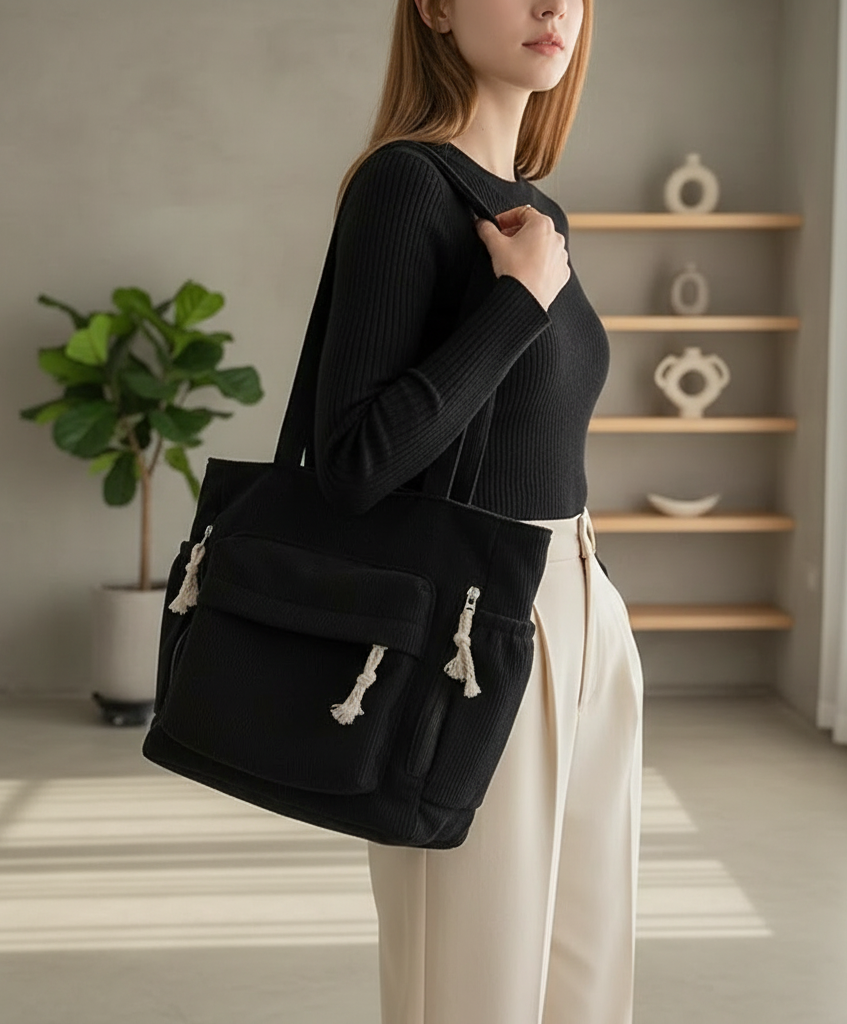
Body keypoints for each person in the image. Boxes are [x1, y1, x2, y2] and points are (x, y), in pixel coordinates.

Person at [311, 1, 645, 1022]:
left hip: (581, 610)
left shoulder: (535, 215)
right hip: (471, 629)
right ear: (436, 6)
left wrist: (529, 283)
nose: (555, 7)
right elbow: (351, 462)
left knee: (581, 984)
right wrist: (516, 305)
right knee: (472, 989)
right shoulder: (405, 185)